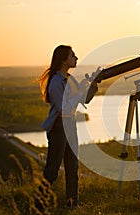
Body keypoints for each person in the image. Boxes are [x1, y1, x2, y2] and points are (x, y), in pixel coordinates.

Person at [38, 45, 98, 208]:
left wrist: (93, 84)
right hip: (59, 126)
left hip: (69, 124)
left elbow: (84, 99)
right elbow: (64, 108)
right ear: (64, 60)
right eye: (73, 56)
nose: (76, 58)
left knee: (72, 167)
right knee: (52, 170)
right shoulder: (56, 82)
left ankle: (72, 204)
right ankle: (38, 205)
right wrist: (80, 92)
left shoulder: (70, 79)